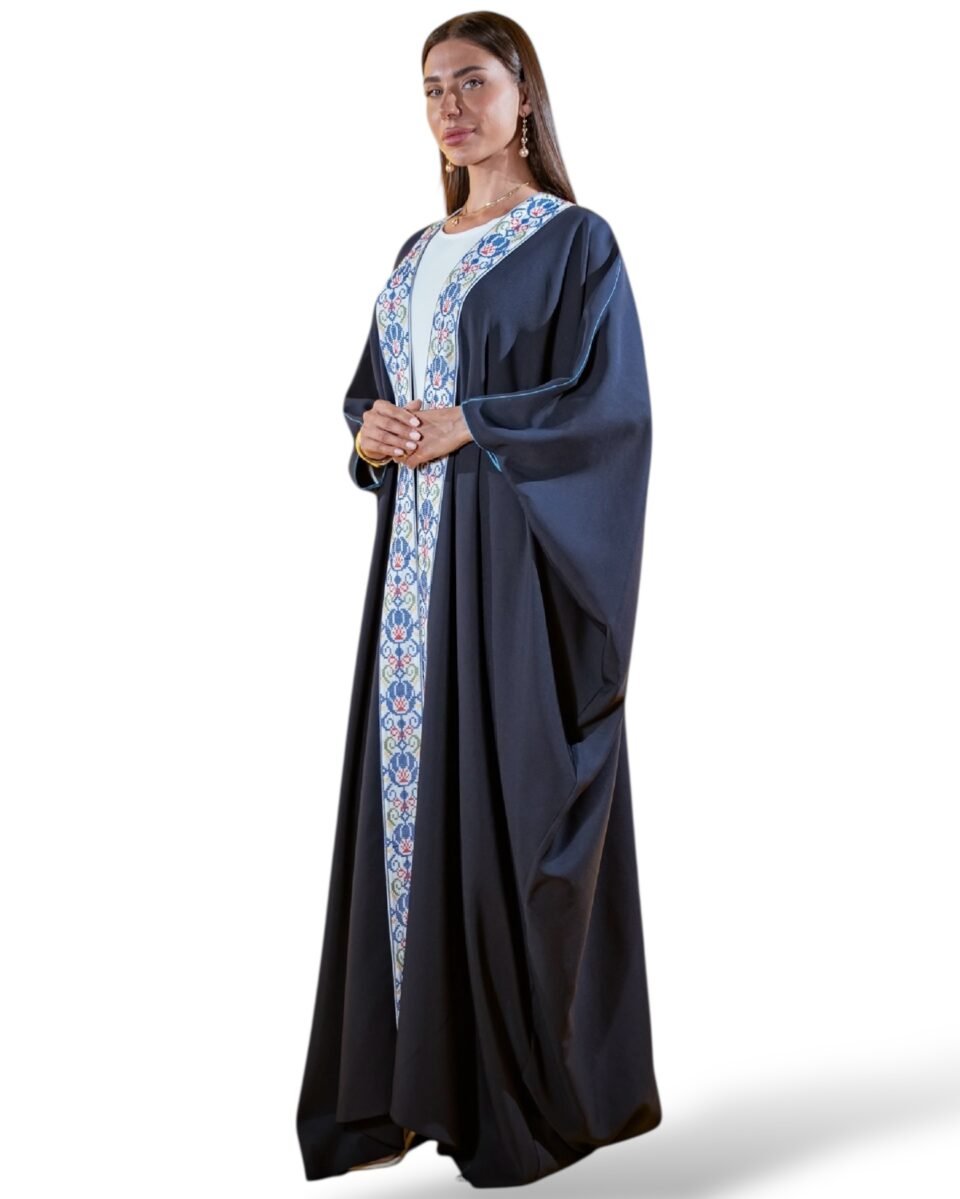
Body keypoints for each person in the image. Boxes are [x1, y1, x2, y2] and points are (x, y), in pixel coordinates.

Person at [296, 10, 662, 1188]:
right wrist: (374, 431)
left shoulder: (573, 243)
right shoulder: (415, 254)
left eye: (472, 82)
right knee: (413, 804)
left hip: (507, 575)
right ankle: (411, 1085)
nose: (449, 107)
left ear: (524, 96)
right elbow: (374, 393)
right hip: (414, 582)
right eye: (431, 89)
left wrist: (479, 422)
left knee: (509, 801)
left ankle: (525, 1088)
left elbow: (611, 410)